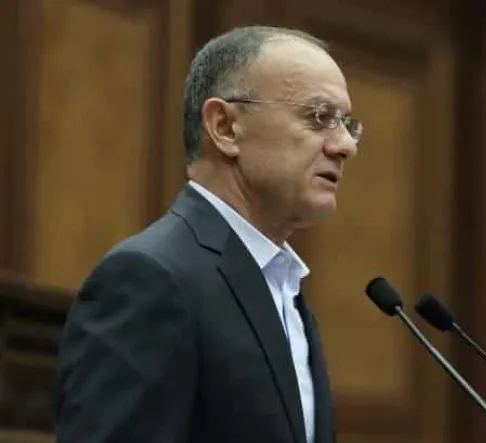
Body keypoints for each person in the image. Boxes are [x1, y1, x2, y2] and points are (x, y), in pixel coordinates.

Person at [56, 25, 361, 443]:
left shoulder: (282, 284)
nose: (345, 146)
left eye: (347, 124)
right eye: (319, 117)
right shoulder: (150, 280)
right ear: (225, 127)